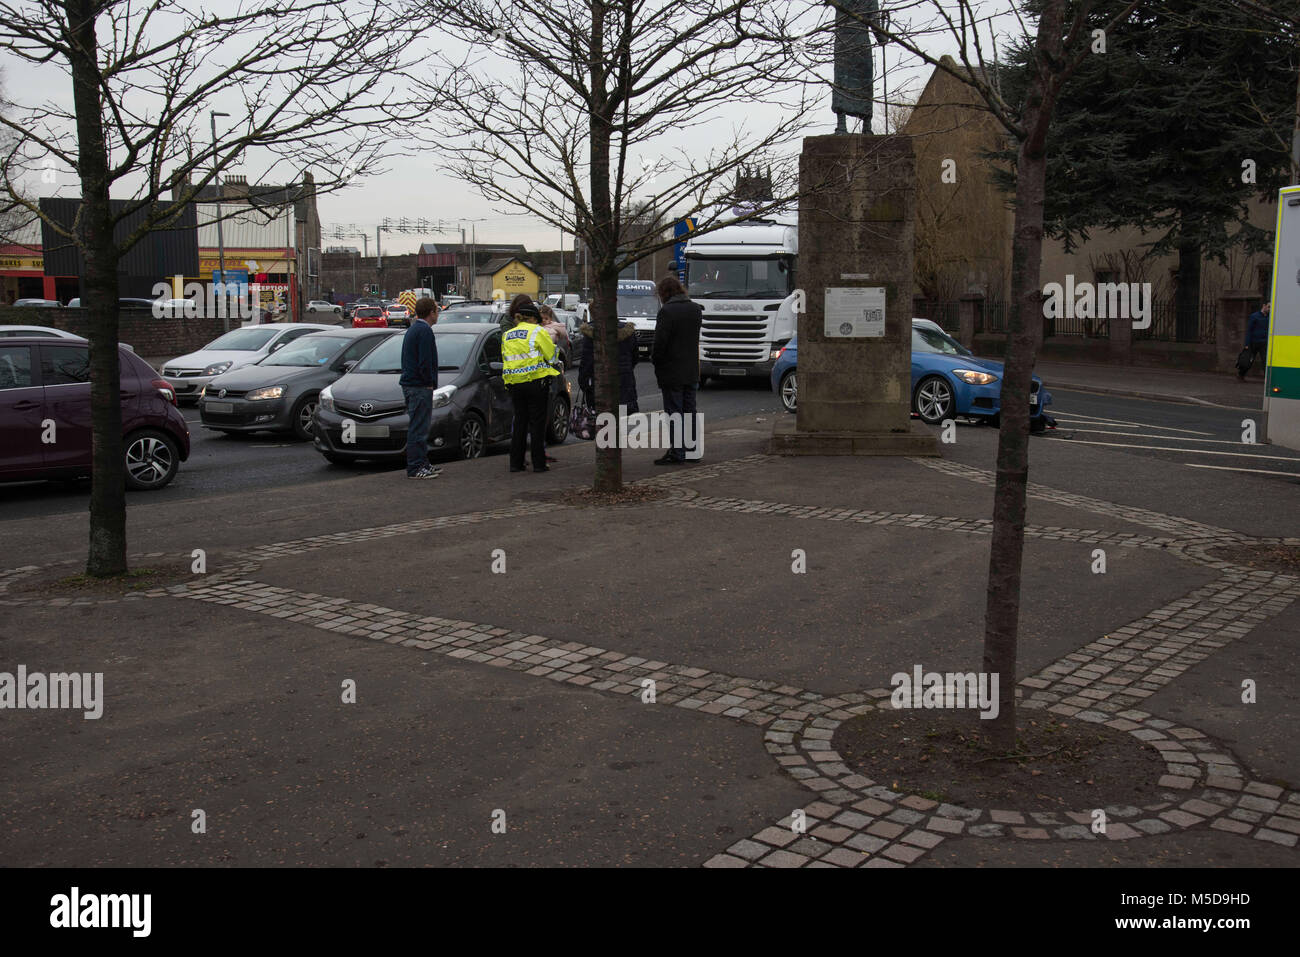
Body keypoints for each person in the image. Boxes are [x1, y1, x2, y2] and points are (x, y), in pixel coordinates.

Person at [502, 300, 559, 472]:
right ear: (534, 318)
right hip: (535, 382)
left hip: (514, 384)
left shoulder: (508, 334)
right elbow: (551, 356)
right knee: (537, 424)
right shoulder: (538, 331)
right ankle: (539, 464)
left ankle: (515, 463)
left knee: (520, 422)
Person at [651, 275, 702, 464]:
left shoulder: (667, 312)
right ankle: (692, 449)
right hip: (691, 369)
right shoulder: (695, 309)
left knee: (674, 412)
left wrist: (656, 362)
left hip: (672, 371)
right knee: (690, 411)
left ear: (664, 293)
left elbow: (660, 344)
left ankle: (677, 452)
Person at [400, 297, 441, 479]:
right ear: (431, 312)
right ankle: (416, 467)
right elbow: (425, 360)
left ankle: (423, 463)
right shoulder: (424, 331)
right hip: (419, 386)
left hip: (412, 384)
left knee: (420, 426)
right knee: (419, 428)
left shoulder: (414, 329)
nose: (438, 313)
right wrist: (429, 381)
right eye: (437, 310)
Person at [578, 315, 639, 413]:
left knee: (602, 419)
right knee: (623, 416)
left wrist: (584, 383)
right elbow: (634, 358)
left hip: (599, 383)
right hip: (624, 381)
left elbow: (586, 363)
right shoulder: (627, 331)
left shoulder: (591, 332)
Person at [1240, 301, 1270, 380]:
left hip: (1264, 342)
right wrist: (1247, 344)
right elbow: (1249, 330)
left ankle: (1266, 378)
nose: (1269, 309)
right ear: (1264, 305)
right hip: (1254, 342)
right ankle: (1241, 375)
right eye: (1269, 307)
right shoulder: (1254, 316)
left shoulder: (1269, 317)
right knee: (1249, 360)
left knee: (1265, 360)